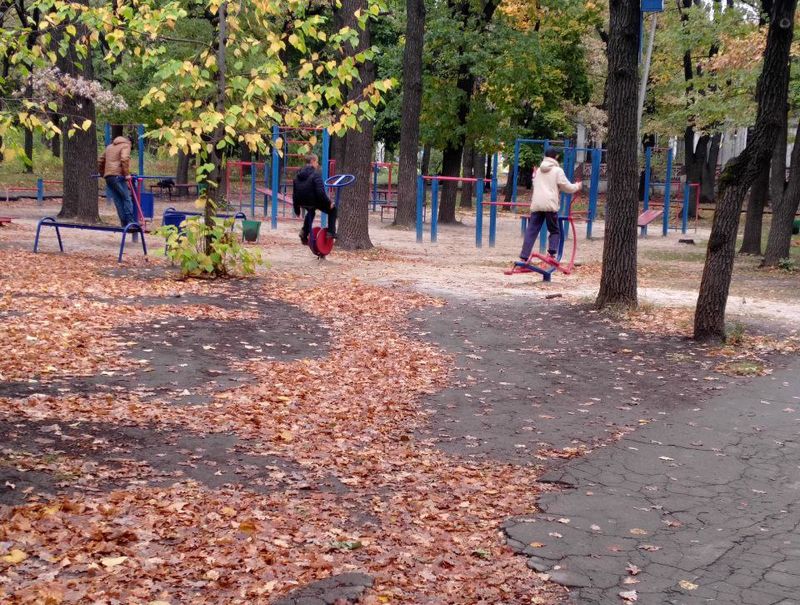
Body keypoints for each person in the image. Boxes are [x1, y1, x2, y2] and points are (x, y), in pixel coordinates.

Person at [519, 148, 582, 262]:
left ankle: (524, 256)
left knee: (531, 230)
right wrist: (577, 186)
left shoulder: (538, 171)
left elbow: (535, 183)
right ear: (556, 157)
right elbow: (566, 187)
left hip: (537, 204)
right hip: (550, 204)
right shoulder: (557, 171)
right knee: (554, 230)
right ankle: (551, 254)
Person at [293, 153, 336, 243]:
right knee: (333, 210)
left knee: (311, 212)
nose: (317, 164)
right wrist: (329, 203)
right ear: (312, 161)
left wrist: (296, 209)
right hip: (312, 201)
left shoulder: (298, 175)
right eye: (317, 162)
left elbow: (295, 193)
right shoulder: (315, 175)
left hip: (301, 201)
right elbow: (320, 193)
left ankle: (304, 233)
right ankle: (331, 232)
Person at [98, 136, 136, 227]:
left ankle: (124, 223)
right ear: (130, 142)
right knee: (126, 198)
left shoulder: (109, 147)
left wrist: (103, 173)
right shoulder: (126, 145)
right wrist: (127, 174)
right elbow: (124, 159)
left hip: (109, 177)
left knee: (118, 200)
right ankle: (131, 223)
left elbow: (100, 160)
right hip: (118, 176)